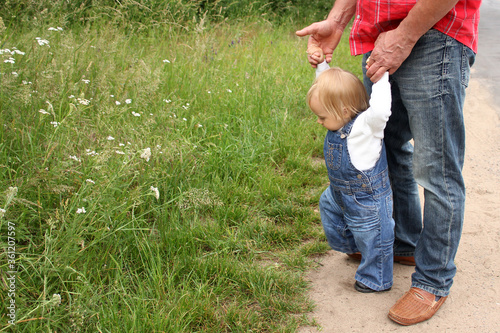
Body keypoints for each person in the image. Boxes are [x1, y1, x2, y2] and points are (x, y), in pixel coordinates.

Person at [296, 0, 481, 326]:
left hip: (433, 32)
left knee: (436, 167)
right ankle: (404, 244)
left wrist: (406, 34)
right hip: (379, 36)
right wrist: (337, 20)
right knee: (387, 149)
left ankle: (433, 280)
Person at [308, 58, 394, 293]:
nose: (319, 121)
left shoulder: (367, 127)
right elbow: (327, 92)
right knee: (328, 209)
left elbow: (380, 110)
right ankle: (354, 248)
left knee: (374, 237)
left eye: (322, 117)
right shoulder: (337, 116)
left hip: (366, 200)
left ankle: (374, 279)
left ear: (343, 111)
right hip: (338, 193)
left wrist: (381, 77)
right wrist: (321, 66)